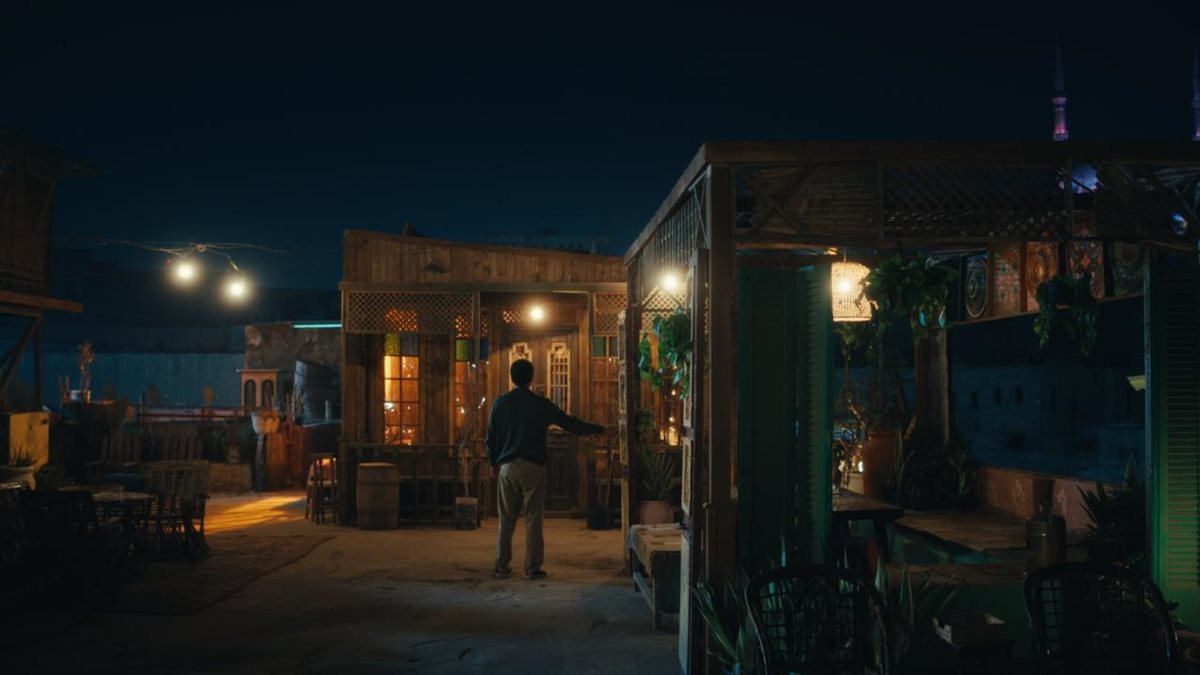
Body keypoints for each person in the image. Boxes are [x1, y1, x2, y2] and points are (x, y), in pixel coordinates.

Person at [486, 358, 605, 579]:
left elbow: (491, 437)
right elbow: (569, 422)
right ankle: (532, 568)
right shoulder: (540, 404)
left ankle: (501, 565)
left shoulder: (500, 403)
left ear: (512, 377)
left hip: (507, 467)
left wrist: (493, 462)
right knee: (533, 518)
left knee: (506, 519)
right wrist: (597, 428)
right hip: (533, 467)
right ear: (531, 378)